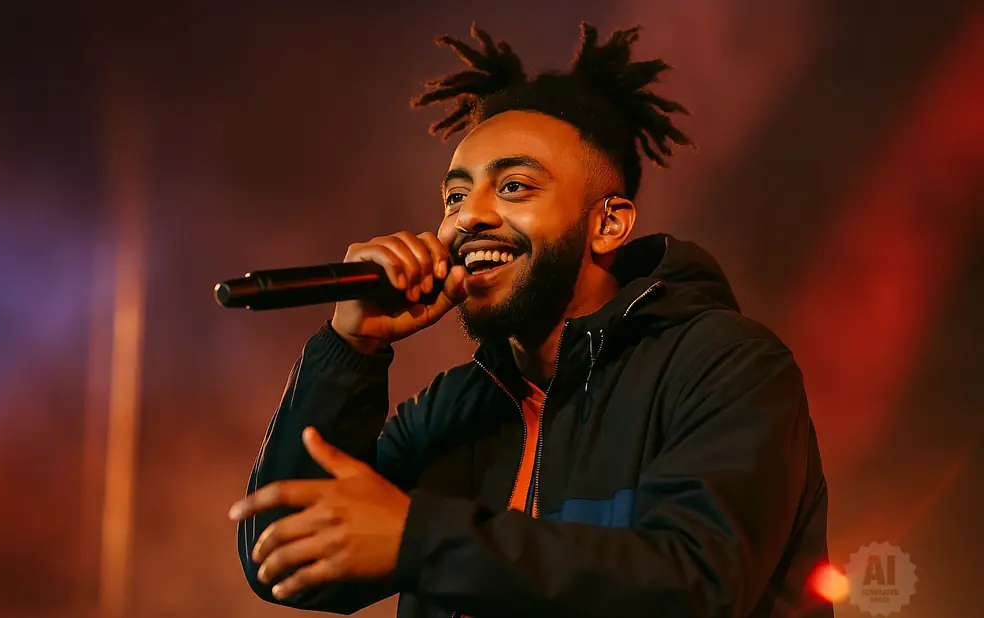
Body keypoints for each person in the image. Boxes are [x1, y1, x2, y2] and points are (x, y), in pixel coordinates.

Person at [228, 22, 833, 618]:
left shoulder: (727, 365)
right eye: (455, 197)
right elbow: (282, 561)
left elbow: (696, 582)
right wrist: (350, 350)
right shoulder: (453, 409)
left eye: (514, 186)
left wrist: (422, 542)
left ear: (608, 224)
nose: (469, 218)